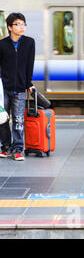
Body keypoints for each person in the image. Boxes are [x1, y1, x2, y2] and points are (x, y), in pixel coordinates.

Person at [0, 13, 36, 161]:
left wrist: (28, 83)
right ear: (10, 27)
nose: (22, 27)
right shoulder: (1, 45)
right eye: (18, 24)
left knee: (18, 120)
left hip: (20, 88)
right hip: (3, 89)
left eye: (23, 24)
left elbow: (30, 64)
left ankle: (18, 149)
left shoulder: (29, 43)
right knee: (2, 119)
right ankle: (6, 147)